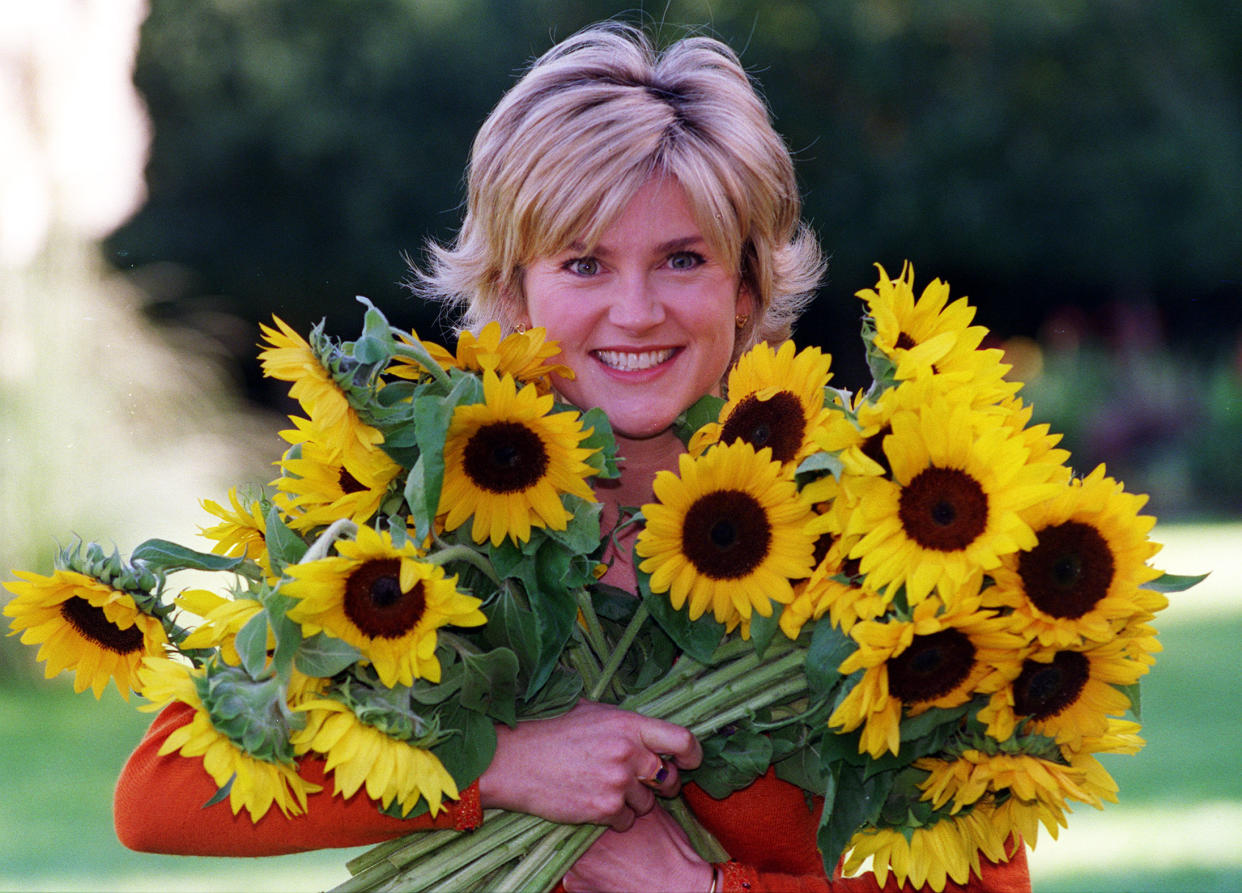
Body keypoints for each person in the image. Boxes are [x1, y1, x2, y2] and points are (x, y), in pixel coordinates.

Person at [114, 22, 1031, 893]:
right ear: (513, 288)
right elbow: (160, 794)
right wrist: (499, 766)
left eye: (682, 260)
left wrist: (699, 886)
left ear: (747, 287)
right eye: (584, 264)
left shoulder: (877, 532)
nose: (635, 311)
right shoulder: (426, 495)